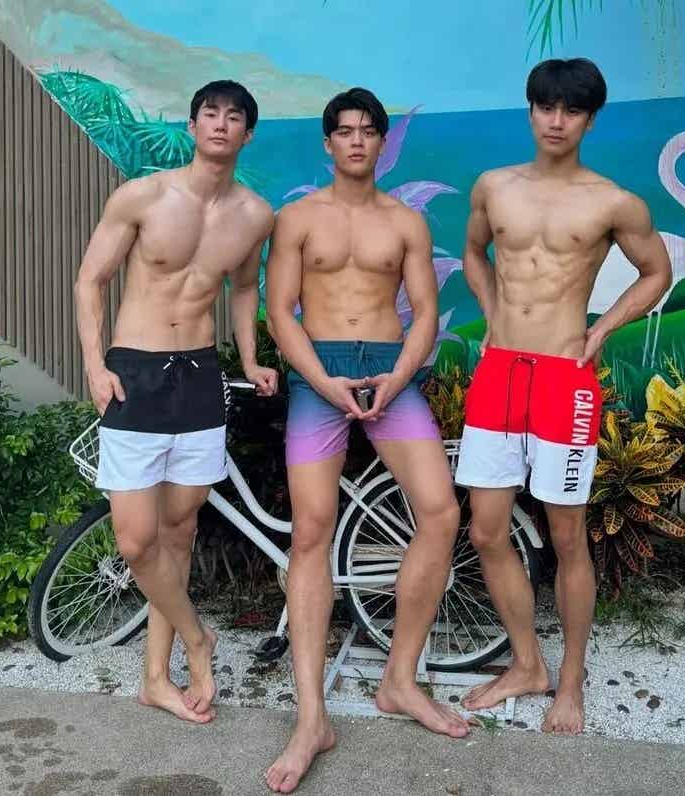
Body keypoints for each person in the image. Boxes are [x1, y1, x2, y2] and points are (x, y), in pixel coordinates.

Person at [455, 58, 673, 735]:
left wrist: (602, 328)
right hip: (500, 372)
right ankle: (528, 664)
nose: (556, 121)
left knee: (567, 534)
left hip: (563, 378)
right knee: (486, 529)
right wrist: (491, 314)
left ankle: (570, 679)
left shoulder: (613, 202)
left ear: (590, 120)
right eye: (546, 107)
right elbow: (473, 253)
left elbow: (656, 271)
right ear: (530, 111)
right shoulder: (494, 186)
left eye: (571, 110)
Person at [264, 87, 467, 794]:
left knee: (440, 513)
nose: (356, 140)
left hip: (390, 372)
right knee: (311, 530)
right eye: (344, 131)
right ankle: (311, 718)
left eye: (368, 130)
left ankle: (398, 681)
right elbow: (280, 312)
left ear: (382, 142)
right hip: (318, 374)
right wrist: (323, 382)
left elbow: (426, 313)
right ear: (328, 143)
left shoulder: (405, 222)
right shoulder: (297, 219)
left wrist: (396, 376)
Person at [74, 79, 278, 725]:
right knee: (137, 541)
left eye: (234, 117)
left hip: (198, 375)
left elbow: (242, 289)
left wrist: (249, 358)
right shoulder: (142, 196)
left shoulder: (256, 215)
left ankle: (155, 679)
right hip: (134, 373)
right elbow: (91, 280)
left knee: (178, 532)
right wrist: (94, 366)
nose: (220, 124)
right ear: (192, 126)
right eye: (209, 114)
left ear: (247, 133)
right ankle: (198, 638)